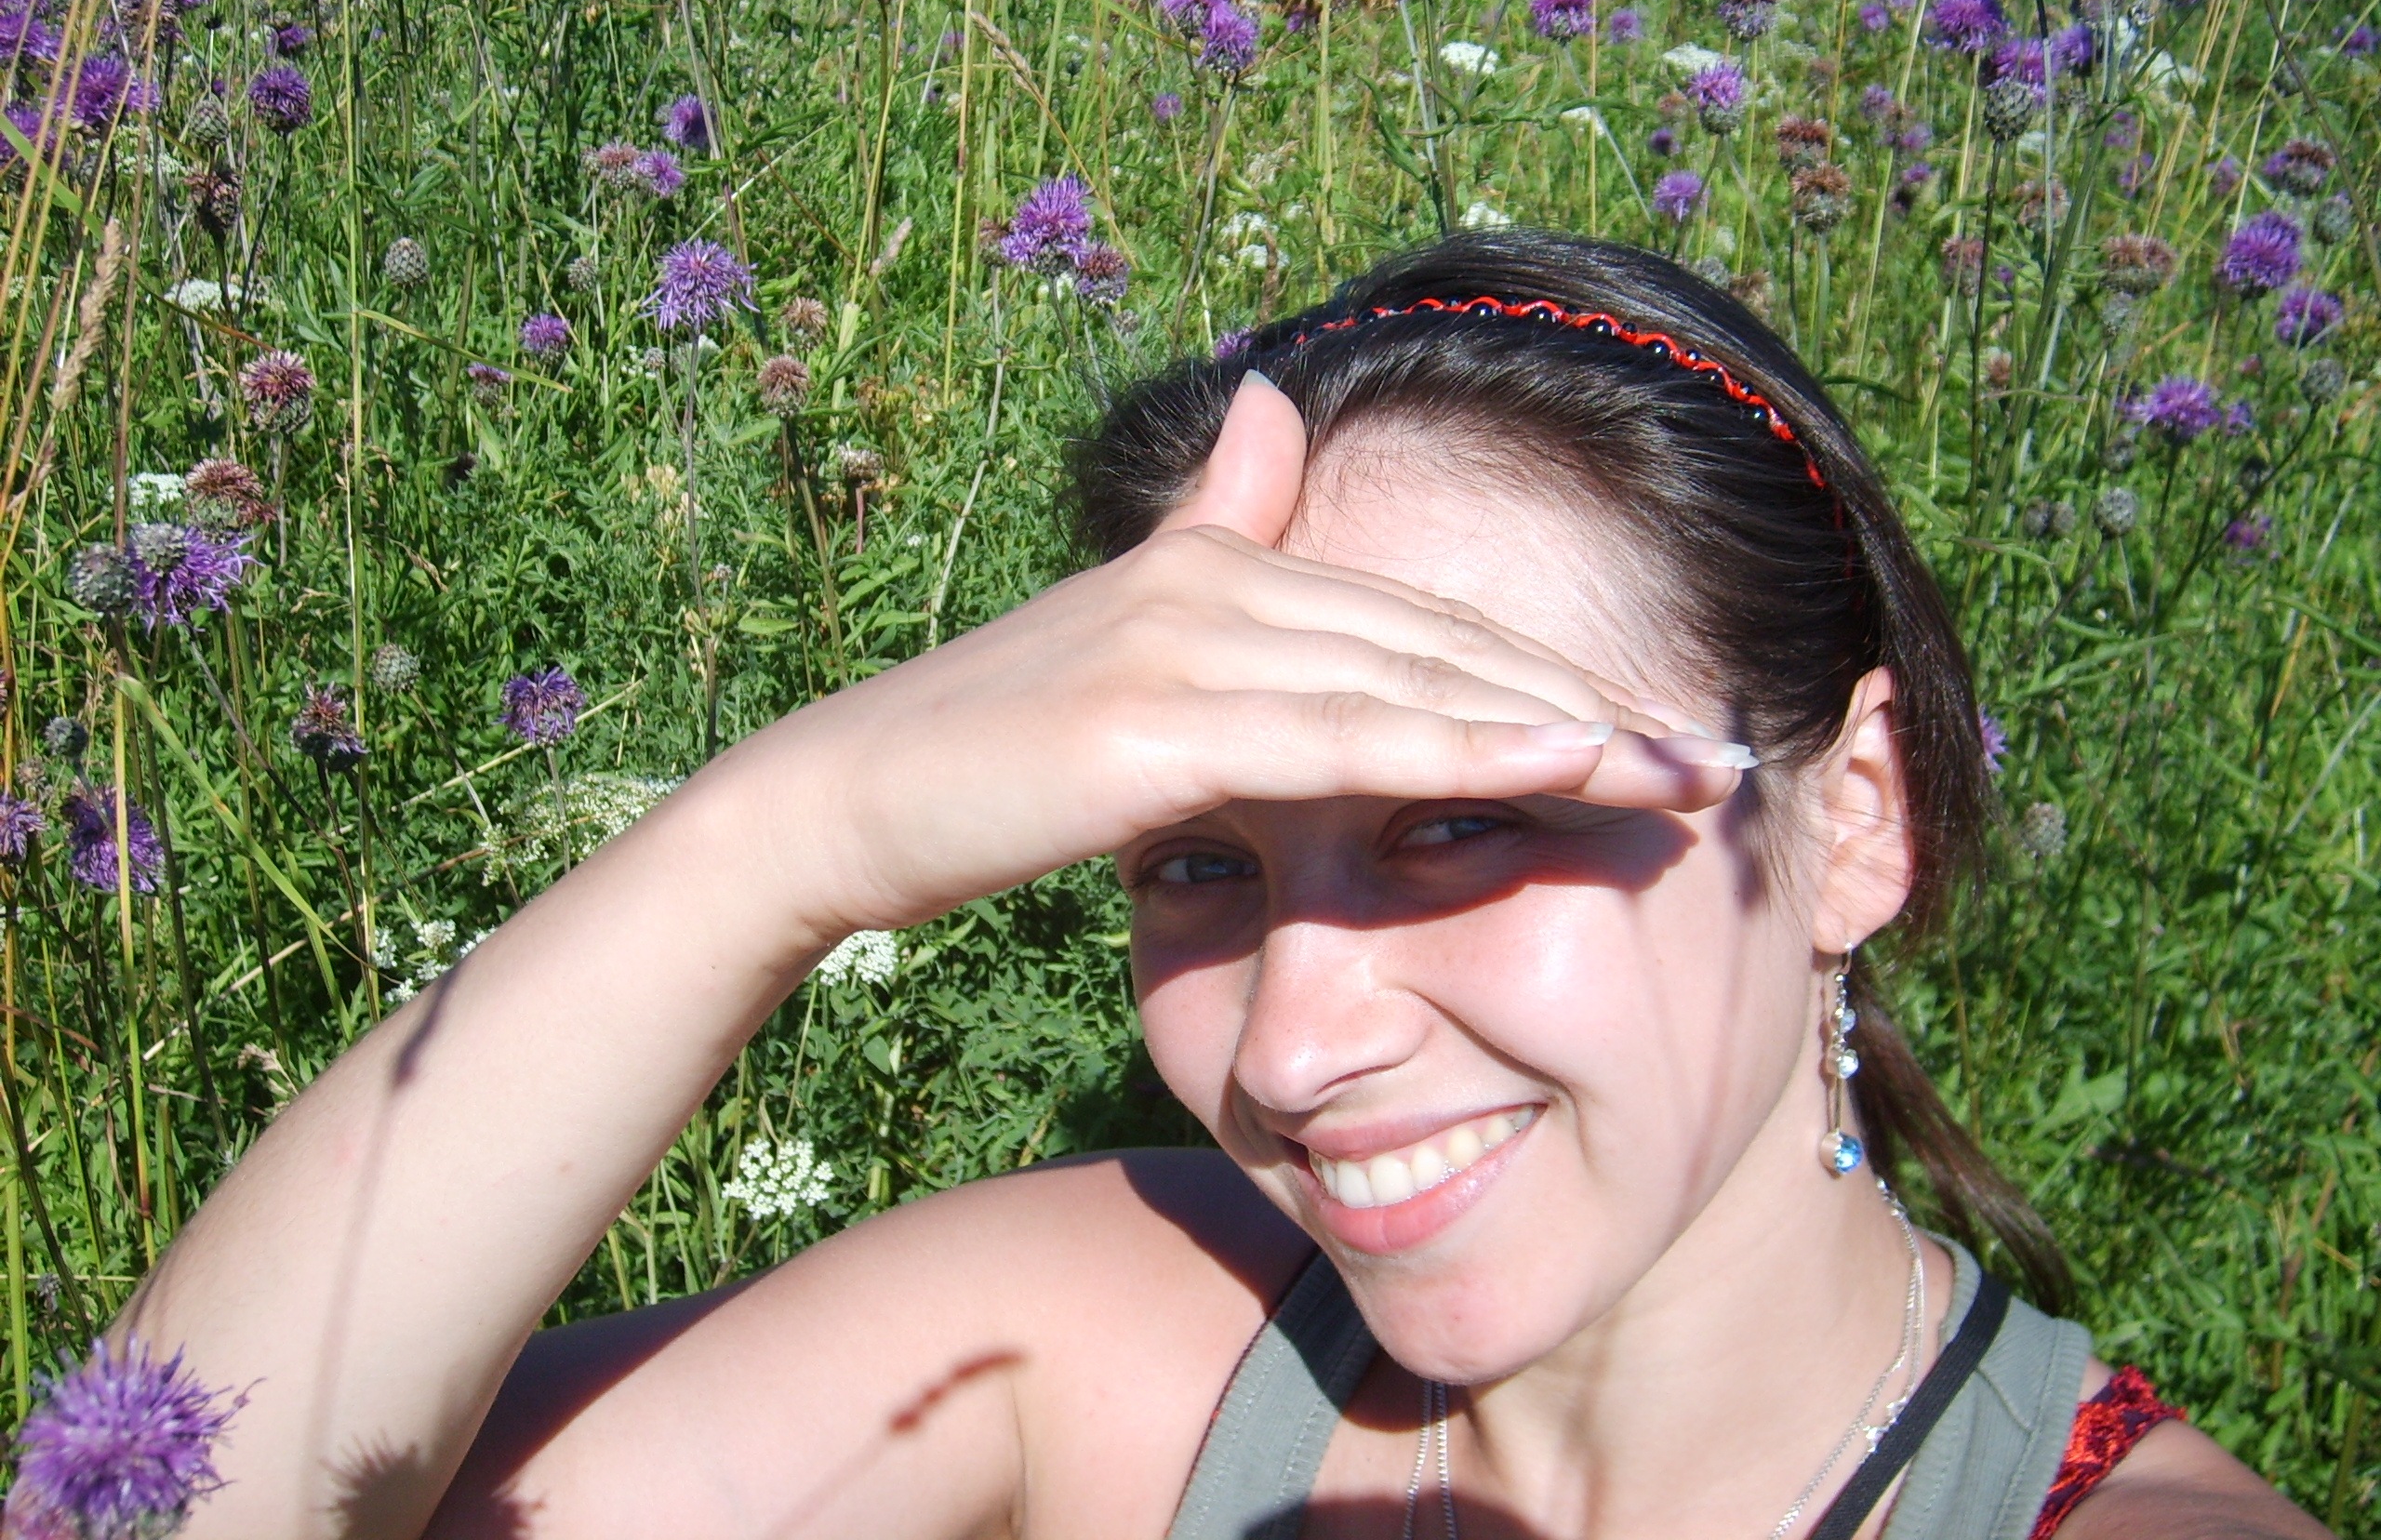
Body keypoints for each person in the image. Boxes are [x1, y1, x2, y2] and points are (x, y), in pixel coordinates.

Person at [90, 233, 2324, 1540]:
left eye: (1461, 820)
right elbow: (150, 1505)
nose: (1289, 1042)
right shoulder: (1116, 1334)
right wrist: (778, 842)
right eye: (1196, 863)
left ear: (1849, 819)